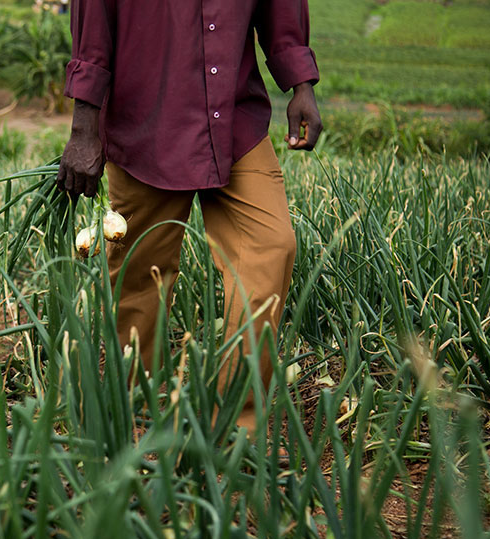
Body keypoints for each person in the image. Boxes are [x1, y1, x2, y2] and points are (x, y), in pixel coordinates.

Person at [55, 0, 322, 433]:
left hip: (235, 121)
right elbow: (94, 17)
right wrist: (84, 128)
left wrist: (301, 84)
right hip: (145, 124)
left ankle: (236, 428)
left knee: (272, 246)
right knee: (139, 277)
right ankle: (126, 417)